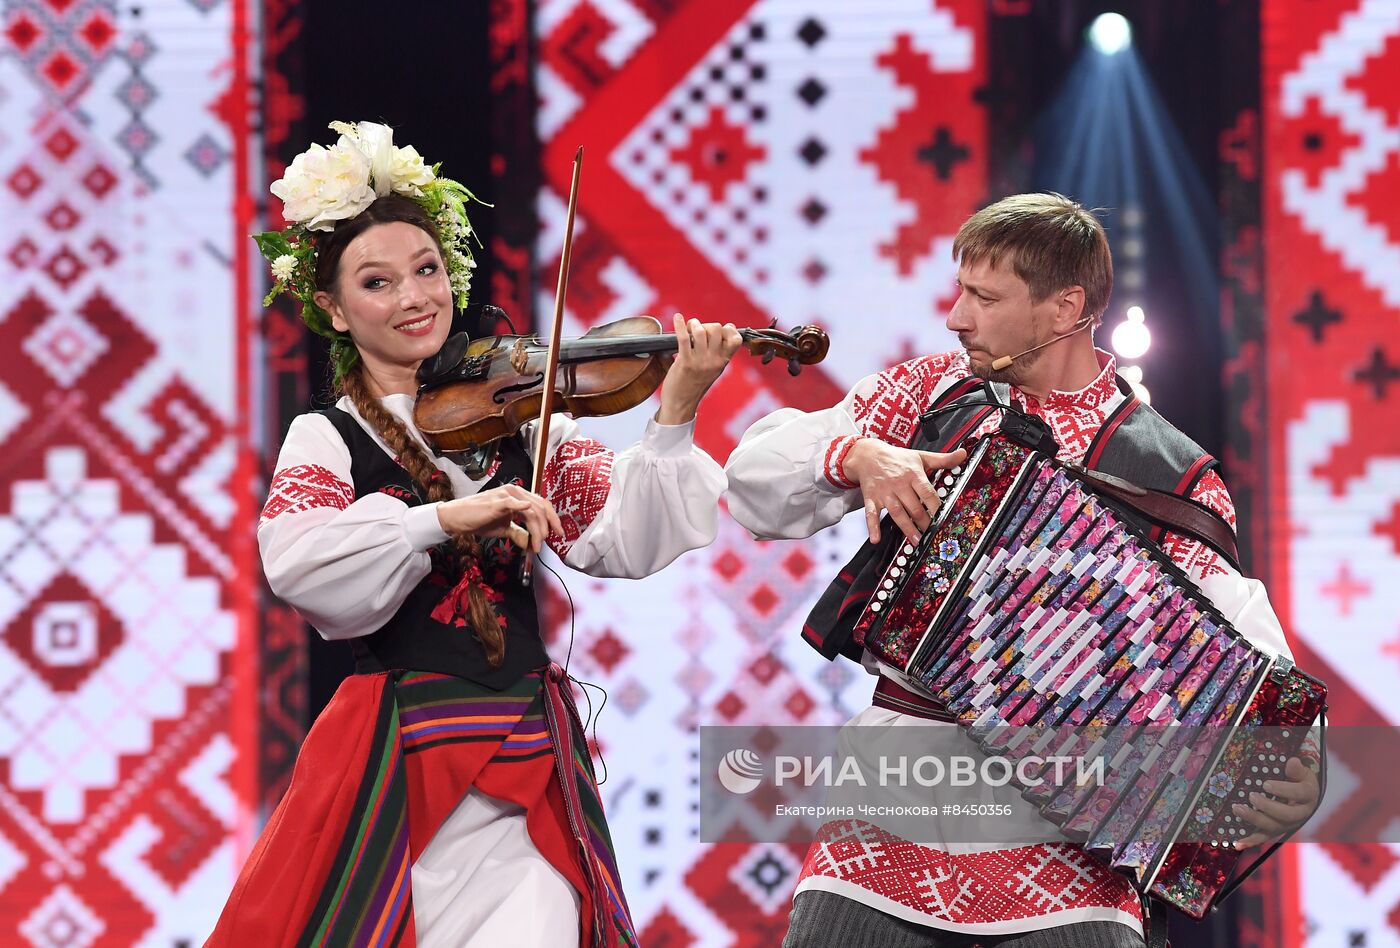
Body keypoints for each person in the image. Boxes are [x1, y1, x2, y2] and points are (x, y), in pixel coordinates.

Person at [724, 193, 1321, 947]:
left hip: (1074, 863)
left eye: (983, 296)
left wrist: (1293, 766)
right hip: (889, 814)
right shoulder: (927, 394)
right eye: (960, 289)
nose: (955, 317)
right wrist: (855, 455)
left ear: (1065, 307)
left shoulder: (1172, 475)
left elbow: (1250, 664)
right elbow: (750, 483)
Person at [207, 121, 741, 947]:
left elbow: (619, 540)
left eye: (427, 270)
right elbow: (304, 569)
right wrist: (444, 517)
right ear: (333, 310)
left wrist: (675, 412)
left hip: (526, 746)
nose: (415, 297)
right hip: (402, 751)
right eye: (377, 283)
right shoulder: (329, 435)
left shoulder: (522, 416)